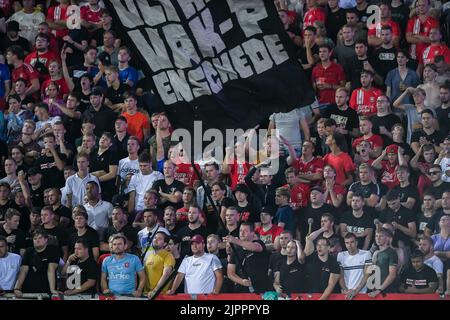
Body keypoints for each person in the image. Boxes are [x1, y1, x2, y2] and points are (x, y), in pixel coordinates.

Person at [226, 223, 270, 293]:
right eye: (240, 230)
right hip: (241, 290)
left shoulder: (259, 243)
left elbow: (255, 247)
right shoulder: (235, 250)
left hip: (261, 288)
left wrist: (235, 241)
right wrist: (242, 281)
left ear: (252, 233)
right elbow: (230, 273)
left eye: (245, 231)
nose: (242, 233)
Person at [14, 229, 59, 297]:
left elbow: (51, 270)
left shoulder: (53, 250)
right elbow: (23, 271)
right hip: (28, 290)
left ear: (46, 239)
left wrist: (52, 289)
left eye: (40, 238)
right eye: (35, 239)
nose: (37, 240)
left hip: (46, 291)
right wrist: (17, 288)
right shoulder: (29, 251)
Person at [338, 233, 372, 299]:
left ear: (356, 243)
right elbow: (340, 276)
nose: (349, 245)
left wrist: (356, 291)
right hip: (346, 294)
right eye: (347, 243)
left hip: (362, 293)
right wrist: (346, 290)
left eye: (352, 242)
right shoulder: (340, 255)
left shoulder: (367, 254)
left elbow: (367, 275)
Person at [144, 231, 175, 298]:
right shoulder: (149, 256)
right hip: (147, 294)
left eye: (159, 239)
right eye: (155, 238)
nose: (156, 240)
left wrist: (155, 290)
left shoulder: (168, 256)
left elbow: (166, 274)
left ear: (164, 244)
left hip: (160, 295)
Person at [368, 228, 398, 297]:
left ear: (387, 238)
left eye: (381, 236)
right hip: (374, 291)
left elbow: (392, 275)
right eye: (376, 236)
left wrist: (379, 290)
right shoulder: (375, 253)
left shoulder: (391, 253)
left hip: (387, 292)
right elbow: (370, 272)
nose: (378, 238)